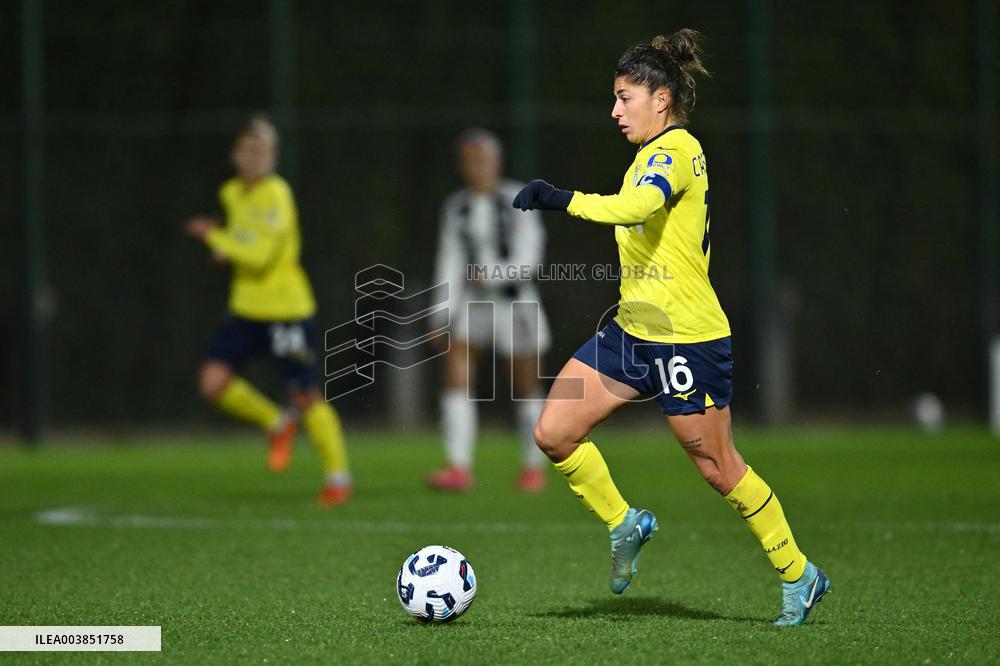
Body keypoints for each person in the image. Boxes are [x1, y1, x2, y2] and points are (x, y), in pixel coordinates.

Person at [513, 31, 830, 626]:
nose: (614, 110)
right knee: (554, 433)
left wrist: (562, 198)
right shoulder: (647, 155)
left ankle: (799, 574)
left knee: (719, 469)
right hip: (633, 332)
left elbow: (634, 209)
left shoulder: (675, 151)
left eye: (624, 97)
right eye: (615, 97)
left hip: (686, 337)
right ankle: (624, 522)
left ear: (661, 99)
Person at [186, 114, 352, 507]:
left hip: (286, 309)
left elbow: (259, 256)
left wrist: (215, 237)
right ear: (235, 155)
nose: (255, 157)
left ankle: (338, 478)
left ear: (273, 158)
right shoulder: (230, 193)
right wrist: (223, 251)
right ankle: (276, 424)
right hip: (245, 308)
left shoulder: (278, 194)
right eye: (249, 149)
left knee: (305, 396)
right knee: (211, 382)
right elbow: (242, 243)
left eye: (263, 150)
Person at [426, 128, 551, 493]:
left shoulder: (518, 198)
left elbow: (531, 258)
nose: (477, 166)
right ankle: (458, 467)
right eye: (470, 160)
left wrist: (493, 274)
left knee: (525, 385)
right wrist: (439, 314)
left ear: (497, 162)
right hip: (474, 305)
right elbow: (448, 261)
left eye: (483, 159)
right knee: (455, 376)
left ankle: (532, 468)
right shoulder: (456, 206)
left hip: (516, 304)